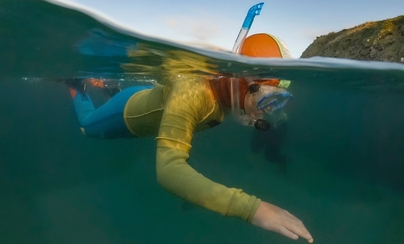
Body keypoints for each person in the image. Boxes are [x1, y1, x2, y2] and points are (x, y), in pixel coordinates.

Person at [65, 33, 313, 243]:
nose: (268, 109)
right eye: (267, 99)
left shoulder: (228, 94)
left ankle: (110, 90)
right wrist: (251, 209)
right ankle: (74, 82)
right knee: (87, 125)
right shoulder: (193, 93)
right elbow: (169, 170)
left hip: (149, 100)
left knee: (147, 103)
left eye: (279, 100)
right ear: (245, 83)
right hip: (127, 113)